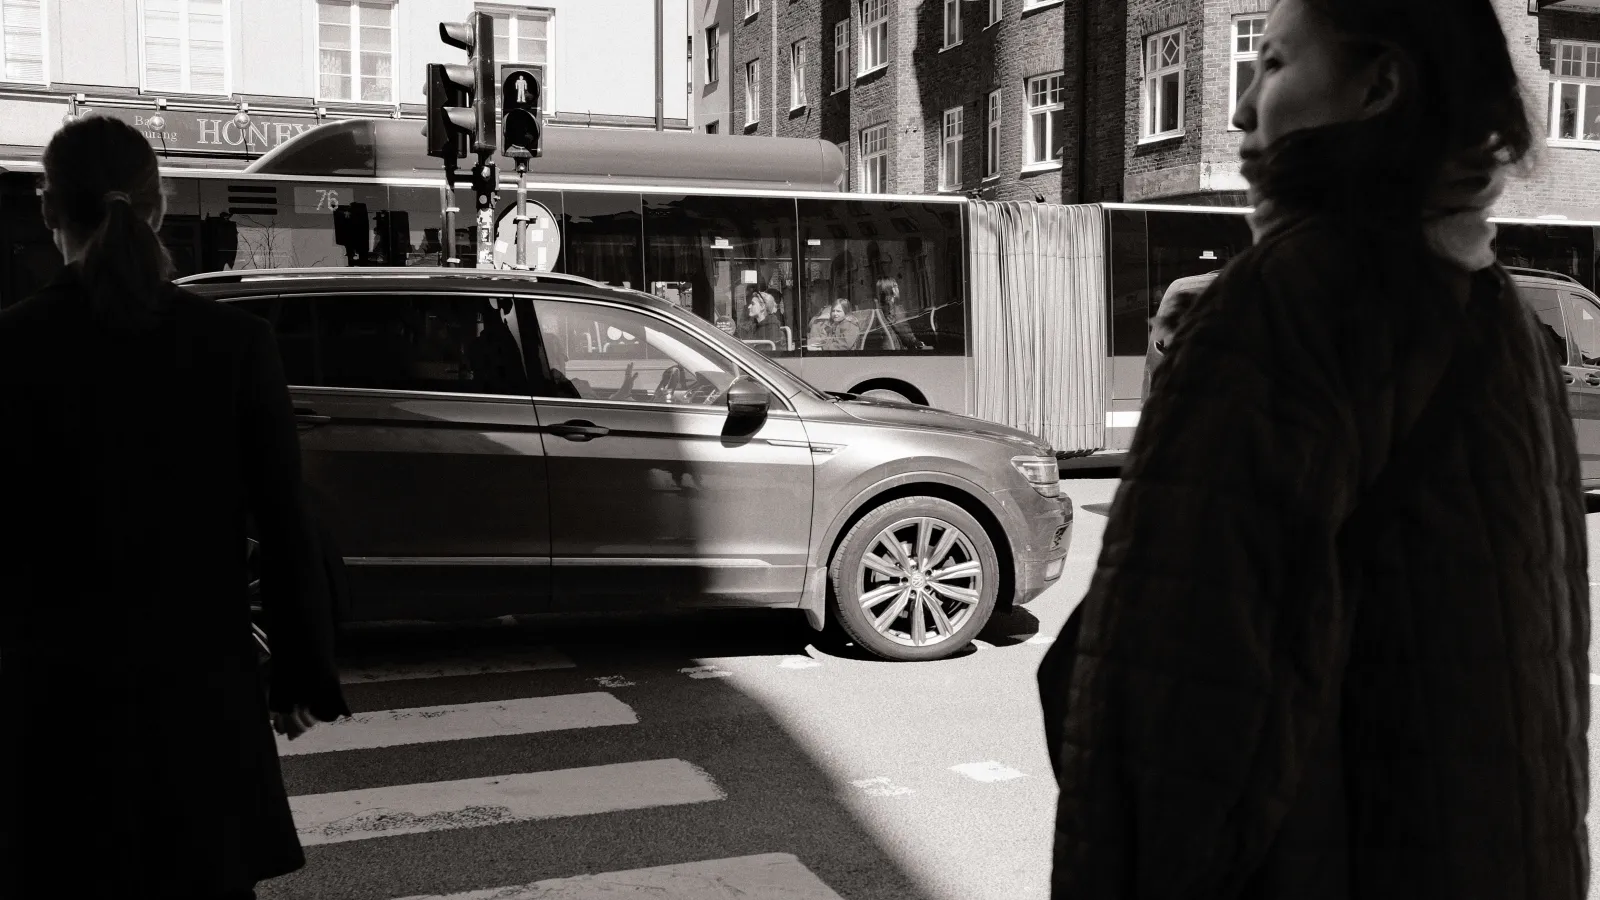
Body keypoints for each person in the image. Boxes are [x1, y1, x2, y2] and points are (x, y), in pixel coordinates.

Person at [1038, 2, 1589, 899]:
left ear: (1379, 87)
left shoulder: (1286, 307)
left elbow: (1164, 726)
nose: (1241, 107)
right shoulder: (1500, 315)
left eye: (1276, 63)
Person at [0, 116, 350, 899]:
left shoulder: (13, 348)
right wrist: (298, 675)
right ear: (157, 211)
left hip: (50, 717)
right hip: (198, 706)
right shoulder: (234, 345)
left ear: (48, 208)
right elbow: (285, 523)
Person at [873, 277, 927, 350]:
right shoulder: (894, 309)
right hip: (896, 347)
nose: (898, 289)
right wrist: (917, 342)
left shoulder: (880, 308)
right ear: (891, 290)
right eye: (895, 286)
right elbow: (904, 332)